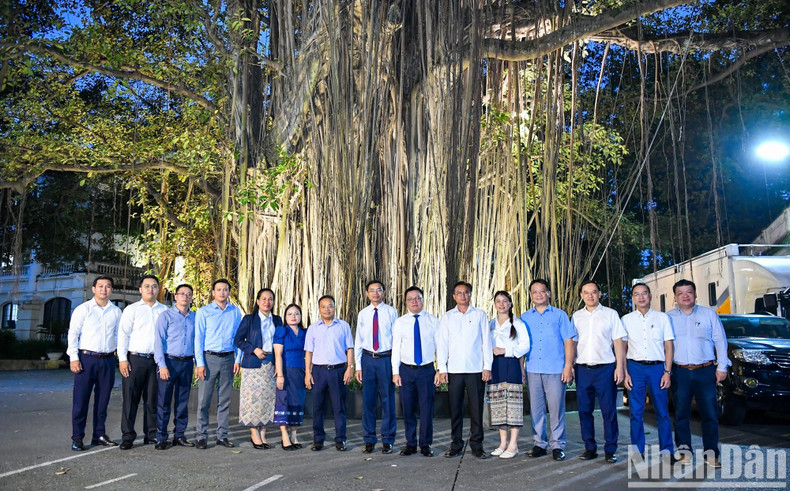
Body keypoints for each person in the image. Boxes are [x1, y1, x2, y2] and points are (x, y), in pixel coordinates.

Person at [667, 279, 730, 468]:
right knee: (680, 414)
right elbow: (664, 346)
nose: (685, 296)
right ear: (675, 297)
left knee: (709, 414)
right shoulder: (668, 317)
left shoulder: (709, 314)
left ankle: (711, 454)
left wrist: (722, 366)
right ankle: (685, 453)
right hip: (680, 372)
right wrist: (666, 371)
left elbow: (720, 341)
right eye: (680, 293)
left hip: (705, 371)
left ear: (695, 294)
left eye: (689, 292)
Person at [521, 279, 576, 461]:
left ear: (549, 294)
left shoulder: (560, 315)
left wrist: (568, 366)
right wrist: (522, 368)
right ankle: (539, 444)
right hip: (533, 368)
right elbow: (521, 344)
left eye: (542, 291)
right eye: (535, 292)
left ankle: (557, 445)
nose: (538, 294)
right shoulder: (525, 317)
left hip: (555, 369)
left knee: (556, 408)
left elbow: (568, 341)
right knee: (536, 410)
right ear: (531, 296)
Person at [571, 280, 626, 463]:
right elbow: (574, 343)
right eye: (586, 292)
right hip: (583, 369)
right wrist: (570, 365)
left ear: (600, 294)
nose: (590, 295)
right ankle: (590, 448)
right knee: (584, 411)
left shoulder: (611, 314)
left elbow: (618, 341)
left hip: (605, 369)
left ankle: (610, 450)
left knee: (608, 411)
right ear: (581, 295)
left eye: (594, 292)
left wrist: (620, 366)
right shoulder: (576, 316)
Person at [436, 281, 493, 459]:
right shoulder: (447, 317)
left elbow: (486, 342)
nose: (462, 296)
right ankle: (456, 444)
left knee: (476, 408)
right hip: (454, 370)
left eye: (466, 292)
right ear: (454, 296)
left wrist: (487, 366)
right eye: (459, 293)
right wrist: (442, 368)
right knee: (456, 409)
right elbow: (442, 343)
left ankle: (477, 445)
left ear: (470, 295)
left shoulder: (480, 315)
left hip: (476, 369)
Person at [67, 275, 122, 451]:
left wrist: (121, 359)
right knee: (81, 401)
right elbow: (73, 334)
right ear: (94, 289)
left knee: (103, 400)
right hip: (86, 359)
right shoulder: (83, 309)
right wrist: (73, 357)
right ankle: (77, 438)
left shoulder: (116, 312)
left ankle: (99, 434)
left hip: (107, 360)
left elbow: (118, 337)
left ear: (111, 290)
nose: (104, 289)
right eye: (100, 286)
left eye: (107, 286)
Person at [622, 283, 674, 459]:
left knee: (662, 411)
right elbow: (622, 347)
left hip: (658, 368)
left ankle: (667, 450)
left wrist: (667, 371)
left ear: (650, 296)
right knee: (636, 412)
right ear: (633, 298)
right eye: (637, 294)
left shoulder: (662, 318)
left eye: (644, 293)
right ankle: (638, 451)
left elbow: (669, 345)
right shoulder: (626, 320)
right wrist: (624, 372)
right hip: (634, 367)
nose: (641, 297)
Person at [117, 275, 167, 450]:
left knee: (152, 399)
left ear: (158, 289)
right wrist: (122, 359)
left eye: (154, 286)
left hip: (156, 360)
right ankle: (128, 435)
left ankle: (151, 433)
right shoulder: (131, 310)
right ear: (140, 289)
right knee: (130, 399)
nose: (150, 289)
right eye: (147, 286)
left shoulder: (164, 310)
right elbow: (123, 334)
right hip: (135, 359)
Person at [391, 286, 442, 457]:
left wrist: (440, 369)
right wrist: (395, 372)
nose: (414, 301)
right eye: (410, 299)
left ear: (422, 299)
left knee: (427, 408)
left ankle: (425, 444)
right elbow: (396, 348)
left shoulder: (433, 321)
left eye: (417, 298)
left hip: (427, 370)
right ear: (406, 302)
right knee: (408, 408)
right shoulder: (400, 322)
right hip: (406, 370)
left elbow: (440, 348)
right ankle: (410, 443)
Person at [194, 279, 242, 449]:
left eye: (225, 289)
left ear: (229, 292)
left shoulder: (235, 312)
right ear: (213, 292)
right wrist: (199, 363)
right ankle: (201, 435)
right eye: (218, 289)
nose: (222, 292)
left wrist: (238, 359)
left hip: (228, 359)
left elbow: (238, 338)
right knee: (203, 401)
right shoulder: (204, 312)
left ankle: (222, 436)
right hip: (209, 359)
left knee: (225, 400)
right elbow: (198, 339)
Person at [234, 288, 283, 449]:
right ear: (257, 301)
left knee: (268, 399)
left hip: (271, 364)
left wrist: (279, 363)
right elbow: (238, 340)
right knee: (253, 399)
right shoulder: (249, 319)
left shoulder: (277, 320)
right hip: (253, 364)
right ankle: (254, 432)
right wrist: (254, 349)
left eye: (270, 299)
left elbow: (281, 342)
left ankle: (263, 432)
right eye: (263, 299)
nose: (267, 302)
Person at [304, 295, 354, 451]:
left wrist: (349, 368)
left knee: (339, 407)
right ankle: (318, 440)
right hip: (318, 371)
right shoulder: (313, 328)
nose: (327, 309)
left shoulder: (343, 326)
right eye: (323, 306)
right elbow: (308, 352)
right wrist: (308, 372)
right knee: (317, 407)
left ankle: (341, 440)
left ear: (334, 307)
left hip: (338, 370)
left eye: (330, 306)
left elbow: (350, 348)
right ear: (319, 309)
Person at [354, 280, 398, 454]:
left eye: (378, 290)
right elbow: (359, 339)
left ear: (384, 292)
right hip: (368, 359)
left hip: (386, 359)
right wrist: (358, 366)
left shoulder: (391, 312)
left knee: (388, 401)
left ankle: (388, 439)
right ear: (367, 293)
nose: (375, 293)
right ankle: (369, 439)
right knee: (368, 401)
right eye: (371, 290)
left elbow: (396, 340)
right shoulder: (363, 314)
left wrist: (396, 367)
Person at [153, 283, 196, 450]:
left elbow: (197, 342)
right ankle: (161, 437)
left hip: (186, 363)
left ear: (191, 297)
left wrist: (198, 365)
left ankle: (179, 435)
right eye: (182, 294)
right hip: (169, 362)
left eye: (188, 294)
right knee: (164, 402)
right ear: (175, 296)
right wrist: (162, 365)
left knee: (182, 402)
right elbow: (159, 342)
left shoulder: (195, 317)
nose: (185, 297)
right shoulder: (166, 316)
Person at [488, 291, 530, 459]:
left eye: (505, 301)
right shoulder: (490, 324)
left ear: (511, 304)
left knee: (513, 405)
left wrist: (506, 350)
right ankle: (503, 443)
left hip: (511, 363)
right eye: (498, 301)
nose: (502, 304)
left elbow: (525, 345)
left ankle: (513, 445)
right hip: (495, 365)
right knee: (498, 404)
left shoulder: (518, 323)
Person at [273, 303, 308, 450]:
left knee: (297, 401)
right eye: (290, 314)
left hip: (300, 372)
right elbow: (278, 354)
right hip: (286, 370)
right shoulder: (282, 331)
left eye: (296, 313)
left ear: (301, 316)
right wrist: (280, 374)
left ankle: (294, 435)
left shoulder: (305, 332)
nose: (293, 316)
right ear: (285, 316)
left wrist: (308, 372)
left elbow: (308, 354)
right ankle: (284, 436)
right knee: (283, 401)